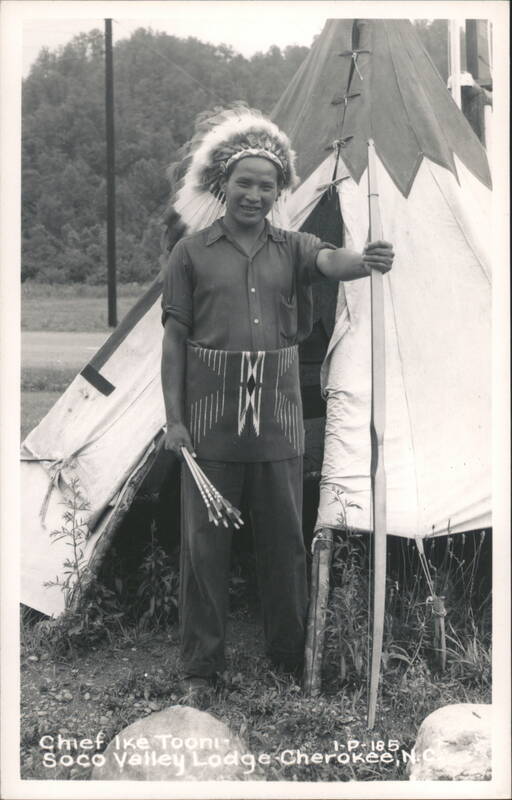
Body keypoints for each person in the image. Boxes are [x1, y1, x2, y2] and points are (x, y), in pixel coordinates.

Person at [160, 109, 393, 697]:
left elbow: (331, 260)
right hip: (210, 423)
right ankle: (199, 670)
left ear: (280, 191)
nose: (255, 194)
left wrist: (364, 261)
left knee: (284, 541)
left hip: (278, 421)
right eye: (245, 182)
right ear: (222, 185)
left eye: (268, 185)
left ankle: (287, 657)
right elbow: (174, 340)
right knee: (204, 549)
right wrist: (174, 422)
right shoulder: (190, 254)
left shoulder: (293, 246)